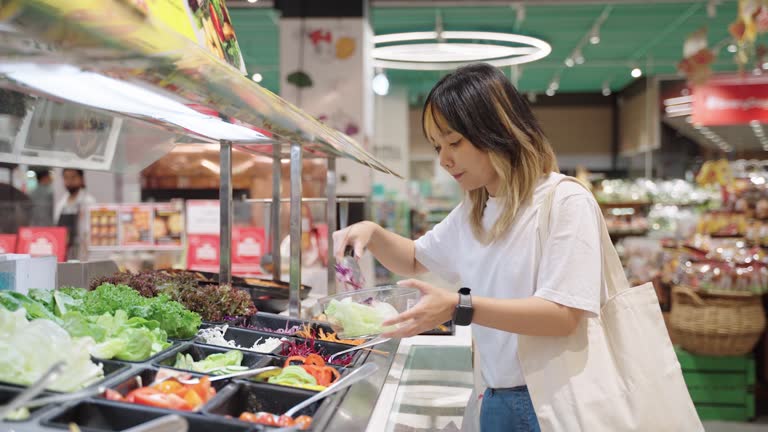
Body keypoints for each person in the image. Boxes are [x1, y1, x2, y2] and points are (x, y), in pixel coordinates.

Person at [333, 63, 603, 432]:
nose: (444, 159)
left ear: (496, 130)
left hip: (549, 403)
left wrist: (460, 307)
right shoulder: (475, 210)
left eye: (454, 142)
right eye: (437, 146)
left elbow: (562, 314)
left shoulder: (565, 201)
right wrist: (373, 232)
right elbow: (414, 258)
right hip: (494, 395)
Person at [54, 168, 96, 260]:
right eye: (66, 178)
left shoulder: (88, 202)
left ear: (81, 179)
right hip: (64, 252)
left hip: (82, 252)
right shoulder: (61, 204)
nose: (69, 181)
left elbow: (90, 231)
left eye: (73, 177)